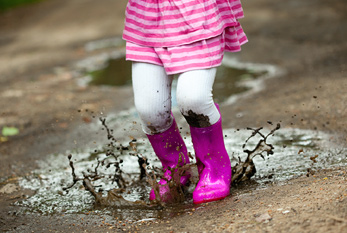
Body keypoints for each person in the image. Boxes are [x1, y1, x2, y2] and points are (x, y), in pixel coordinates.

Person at [122, 0, 247, 204]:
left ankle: (214, 169)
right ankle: (175, 168)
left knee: (194, 100)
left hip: (196, 15)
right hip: (147, 19)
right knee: (150, 111)